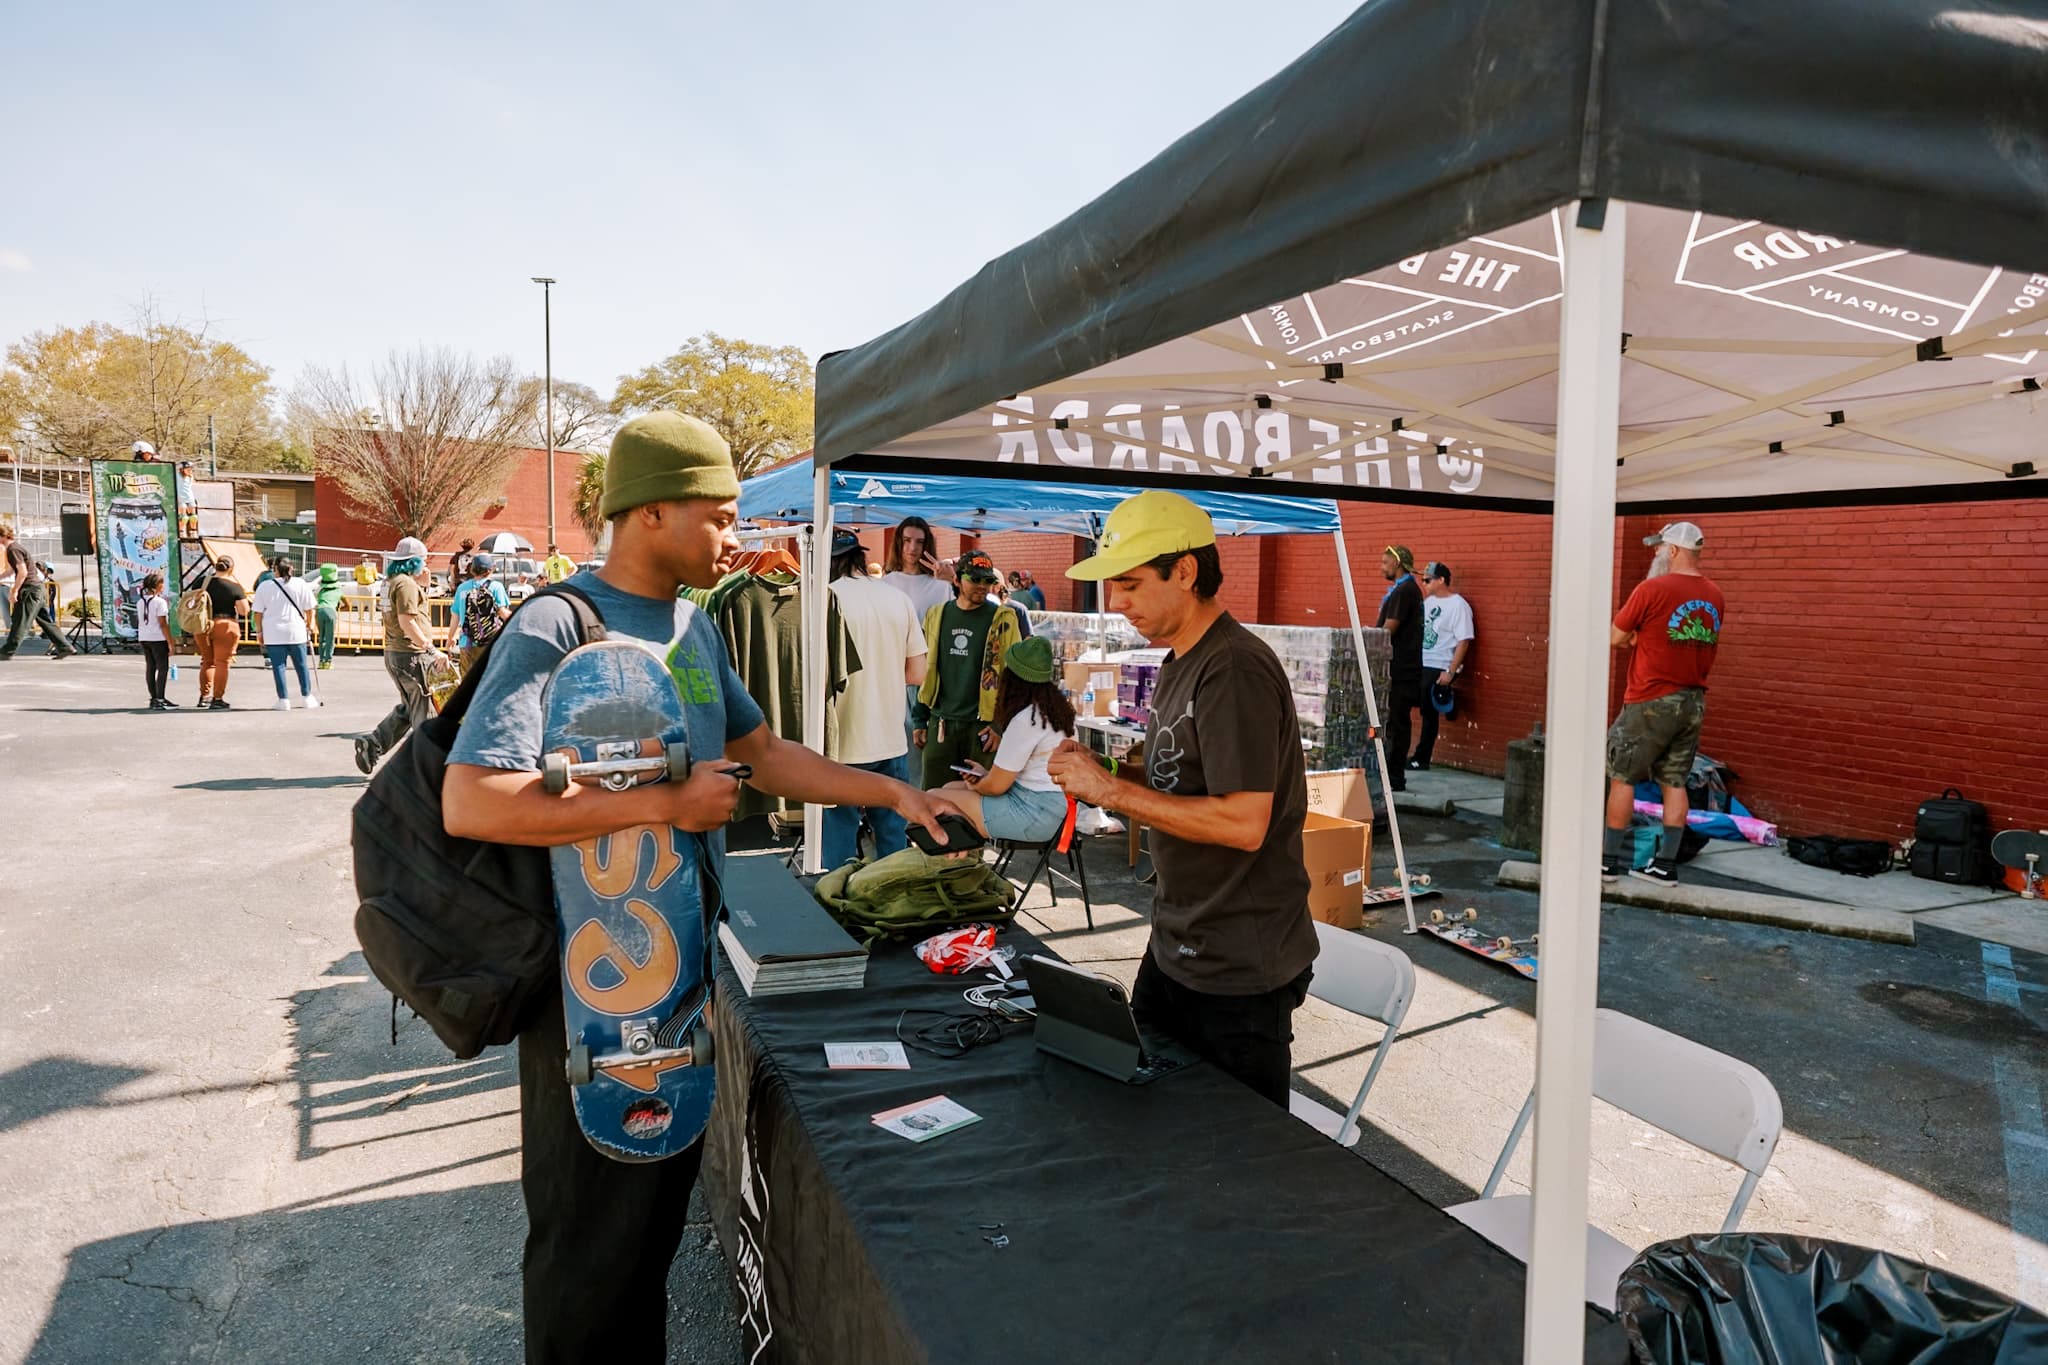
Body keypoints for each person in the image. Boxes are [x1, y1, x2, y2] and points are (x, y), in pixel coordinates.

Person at [439, 410, 956, 1364]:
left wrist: (892, 788)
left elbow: (763, 754)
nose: (735, 535)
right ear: (650, 512)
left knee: (645, 1244)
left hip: (679, 984)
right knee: (585, 1260)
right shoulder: (559, 623)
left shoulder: (695, 624)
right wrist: (670, 804)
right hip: (587, 1002)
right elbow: (474, 799)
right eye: (717, 515)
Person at [1046, 491, 1315, 1107]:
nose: (1116, 603)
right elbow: (1178, 772)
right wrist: (1105, 766)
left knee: (1239, 1150)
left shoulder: (1234, 669)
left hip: (1238, 964)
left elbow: (1245, 821)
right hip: (1179, 943)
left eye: (1133, 584)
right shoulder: (1180, 661)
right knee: (1149, 1112)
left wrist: (1109, 789)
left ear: (1187, 571)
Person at [1603, 522, 1725, 886]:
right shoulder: (1715, 595)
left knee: (1622, 775)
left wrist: (1637, 636)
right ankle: (1665, 865)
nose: (1656, 553)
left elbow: (1615, 636)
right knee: (1675, 781)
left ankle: (1608, 863)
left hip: (1650, 698)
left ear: (1673, 551)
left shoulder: (1651, 589)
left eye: (1659, 548)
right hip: (1693, 700)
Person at [822, 527, 929, 868]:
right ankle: (889, 903)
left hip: (842, 741)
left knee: (839, 845)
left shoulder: (824, 598)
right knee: (892, 841)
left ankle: (836, 911)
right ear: (859, 557)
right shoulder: (897, 598)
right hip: (890, 738)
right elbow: (917, 674)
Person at [939, 636, 1074, 844]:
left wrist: (978, 785)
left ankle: (961, 867)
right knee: (949, 789)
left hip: (1032, 814)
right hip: (1053, 810)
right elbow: (1023, 773)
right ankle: (966, 864)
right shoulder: (1056, 712)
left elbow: (995, 787)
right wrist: (984, 776)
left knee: (934, 799)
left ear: (1012, 679)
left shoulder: (1026, 720)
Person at [910, 548, 1021, 790]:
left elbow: (1015, 678)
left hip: (981, 728)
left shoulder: (1003, 618)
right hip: (941, 723)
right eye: (975, 579)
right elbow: (926, 669)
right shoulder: (937, 615)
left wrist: (999, 726)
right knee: (934, 798)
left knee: (978, 802)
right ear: (957, 580)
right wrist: (920, 718)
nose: (982, 586)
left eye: (988, 580)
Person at [354, 536, 448, 772]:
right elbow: (408, 621)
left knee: (409, 708)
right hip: (411, 654)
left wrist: (424, 587)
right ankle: (423, 769)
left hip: (396, 652)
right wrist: (431, 649)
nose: (425, 565)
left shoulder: (391, 582)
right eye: (423, 560)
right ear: (414, 561)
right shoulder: (405, 584)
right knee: (422, 713)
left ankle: (374, 743)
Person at [1409, 561, 1475, 772]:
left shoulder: (1458, 605)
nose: (1424, 583)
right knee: (1413, 701)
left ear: (1441, 580)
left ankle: (1422, 758)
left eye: (1428, 579)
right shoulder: (1427, 603)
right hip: (1421, 661)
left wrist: (1450, 671)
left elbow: (1464, 640)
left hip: (1439, 663)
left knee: (1428, 712)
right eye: (1423, 580)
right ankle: (1449, 702)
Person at [1375, 544, 1424, 793]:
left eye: (1385, 562)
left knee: (1397, 724)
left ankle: (1395, 778)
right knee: (1393, 723)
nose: (1382, 567)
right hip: (1399, 668)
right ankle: (1391, 775)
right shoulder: (1403, 590)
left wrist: (1368, 639)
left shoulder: (1404, 591)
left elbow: (1389, 629)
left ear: (1398, 564)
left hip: (1401, 670)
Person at [0, 523, 76, 660]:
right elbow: (12, 570)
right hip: (37, 588)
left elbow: (22, 572)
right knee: (45, 621)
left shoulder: (13, 549)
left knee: (20, 619)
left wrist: (14, 591)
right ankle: (65, 647)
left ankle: (7, 651)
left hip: (29, 589)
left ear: (3, 536)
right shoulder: (15, 548)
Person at [252, 560, 320, 710]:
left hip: (273, 632)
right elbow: (310, 609)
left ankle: (283, 700)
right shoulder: (300, 584)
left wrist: (259, 631)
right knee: (302, 665)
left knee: (278, 667)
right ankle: (307, 696)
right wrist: (310, 624)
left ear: (275, 569)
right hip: (296, 631)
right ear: (291, 568)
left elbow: (258, 612)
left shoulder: (265, 586)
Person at [878, 516, 956, 619]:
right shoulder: (885, 584)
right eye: (907, 540)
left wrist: (954, 580)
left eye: (920, 542)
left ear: (926, 545)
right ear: (899, 542)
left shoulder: (943, 585)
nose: (913, 547)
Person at [197, 555, 248, 709]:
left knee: (207, 661)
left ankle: (204, 696)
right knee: (221, 663)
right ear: (231, 569)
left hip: (202, 625)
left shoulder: (201, 582)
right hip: (225, 626)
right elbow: (244, 610)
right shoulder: (234, 587)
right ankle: (217, 698)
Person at [451, 553, 512, 675]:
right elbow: (502, 612)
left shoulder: (462, 588)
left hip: (466, 642)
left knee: (468, 684)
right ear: (490, 570)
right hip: (490, 642)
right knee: (489, 681)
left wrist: (450, 638)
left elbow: (455, 616)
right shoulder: (496, 587)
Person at [136, 570, 176, 709]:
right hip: (157, 638)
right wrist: (170, 642)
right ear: (157, 585)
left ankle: (154, 697)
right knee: (162, 668)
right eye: (162, 583)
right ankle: (160, 698)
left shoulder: (140, 602)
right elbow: (163, 623)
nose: (163, 586)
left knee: (151, 667)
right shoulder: (160, 602)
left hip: (144, 636)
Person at [313, 563, 343, 668]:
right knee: (330, 638)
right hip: (331, 611)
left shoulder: (321, 591)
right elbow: (347, 604)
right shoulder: (338, 591)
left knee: (322, 638)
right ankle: (328, 661)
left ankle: (321, 661)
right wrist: (339, 608)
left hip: (320, 611)